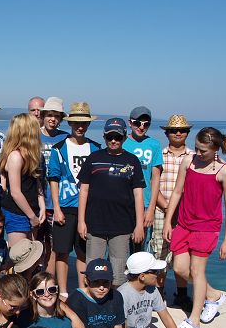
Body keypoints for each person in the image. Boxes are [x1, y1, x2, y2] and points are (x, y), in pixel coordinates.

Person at [163, 128, 226, 328]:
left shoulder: (224, 172)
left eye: (203, 150)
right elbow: (177, 192)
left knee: (197, 271)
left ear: (215, 149)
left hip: (207, 228)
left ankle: (194, 321)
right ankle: (213, 295)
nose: (199, 153)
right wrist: (168, 221)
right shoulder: (189, 161)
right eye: (197, 148)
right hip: (184, 224)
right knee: (179, 269)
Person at [77, 118, 145, 287]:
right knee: (94, 271)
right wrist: (81, 221)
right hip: (95, 223)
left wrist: (139, 225)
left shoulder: (132, 161)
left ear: (124, 137)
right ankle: (93, 300)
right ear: (104, 137)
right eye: (110, 137)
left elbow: (138, 194)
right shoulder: (93, 158)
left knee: (119, 274)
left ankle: (117, 300)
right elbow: (83, 191)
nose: (113, 140)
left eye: (118, 137)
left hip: (122, 225)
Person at [50, 102, 100, 296]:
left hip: (88, 208)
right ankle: (63, 292)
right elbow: (53, 179)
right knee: (62, 251)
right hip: (65, 206)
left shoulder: (95, 148)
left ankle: (83, 290)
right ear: (70, 123)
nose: (80, 126)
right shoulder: (59, 148)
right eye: (76, 122)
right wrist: (56, 208)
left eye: (84, 123)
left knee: (83, 252)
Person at [154, 115, 196, 309]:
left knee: (183, 253)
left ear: (187, 133)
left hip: (186, 214)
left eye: (182, 130)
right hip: (160, 210)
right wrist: (166, 207)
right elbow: (153, 184)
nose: (178, 133)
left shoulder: (195, 157)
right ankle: (159, 293)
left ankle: (182, 294)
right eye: (173, 130)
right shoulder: (159, 155)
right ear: (167, 133)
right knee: (160, 252)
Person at [0, 114, 44, 246]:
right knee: (19, 255)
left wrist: (42, 206)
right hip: (18, 213)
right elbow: (15, 192)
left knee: (33, 254)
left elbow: (36, 182)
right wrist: (32, 217)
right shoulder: (15, 156)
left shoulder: (32, 154)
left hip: (32, 210)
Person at [124, 106, 163, 251]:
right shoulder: (121, 142)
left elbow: (155, 179)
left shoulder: (154, 145)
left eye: (146, 124)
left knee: (139, 248)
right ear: (130, 123)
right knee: (120, 248)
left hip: (145, 203)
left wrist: (151, 209)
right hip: (123, 203)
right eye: (137, 123)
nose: (141, 127)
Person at [38, 97, 69, 275]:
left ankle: (49, 281)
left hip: (57, 201)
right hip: (37, 198)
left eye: (57, 116)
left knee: (54, 245)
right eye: (49, 115)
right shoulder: (34, 136)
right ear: (43, 116)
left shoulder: (65, 138)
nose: (52, 119)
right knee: (36, 244)